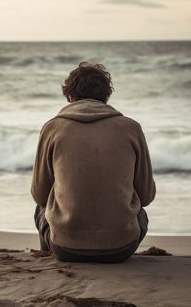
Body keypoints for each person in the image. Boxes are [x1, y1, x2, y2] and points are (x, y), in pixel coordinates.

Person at [31, 62, 156, 263]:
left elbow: (39, 195)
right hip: (121, 249)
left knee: (41, 207)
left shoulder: (52, 128)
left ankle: (48, 256)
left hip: (65, 249)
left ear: (70, 98)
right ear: (106, 97)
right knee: (138, 208)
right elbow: (147, 196)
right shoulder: (132, 128)